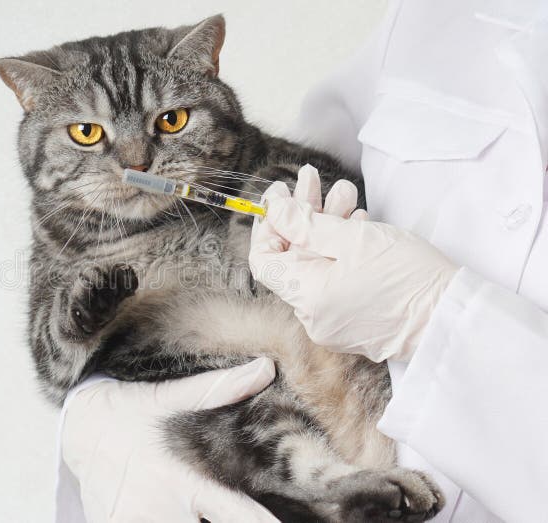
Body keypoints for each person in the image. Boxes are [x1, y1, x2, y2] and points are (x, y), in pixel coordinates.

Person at [56, 0, 548, 521]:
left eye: (170, 120)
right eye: (89, 135)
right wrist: (97, 412)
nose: (137, 162)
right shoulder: (435, 17)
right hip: (285, 423)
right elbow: (318, 172)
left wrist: (435, 315)